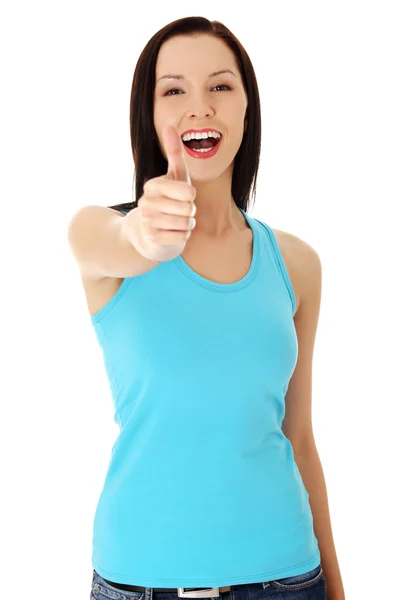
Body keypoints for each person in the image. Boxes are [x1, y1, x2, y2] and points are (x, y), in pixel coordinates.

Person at [68, 15, 344, 600]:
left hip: (287, 579)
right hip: (138, 582)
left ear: (248, 108)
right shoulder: (101, 235)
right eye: (174, 90)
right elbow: (118, 243)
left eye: (220, 87)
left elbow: (299, 437)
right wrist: (145, 236)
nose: (200, 108)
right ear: (151, 116)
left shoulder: (295, 263)